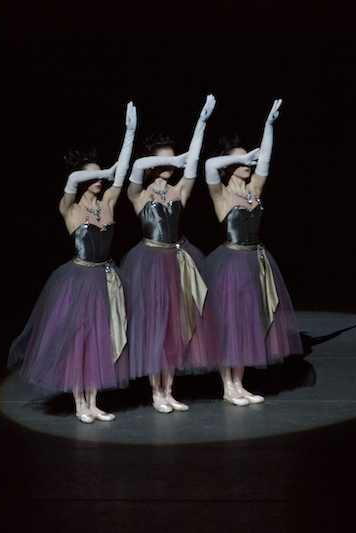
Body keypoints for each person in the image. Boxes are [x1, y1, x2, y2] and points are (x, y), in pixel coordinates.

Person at [8, 102, 137, 423]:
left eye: (100, 177)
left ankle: (92, 402)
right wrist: (99, 170)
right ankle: (79, 403)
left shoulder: (107, 202)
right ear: (81, 180)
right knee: (79, 338)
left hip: (107, 276)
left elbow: (121, 173)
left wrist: (129, 134)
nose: (99, 181)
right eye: (91, 177)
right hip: (78, 279)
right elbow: (74, 180)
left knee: (100, 338)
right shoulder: (70, 208)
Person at [120, 94, 219, 413]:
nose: (170, 165)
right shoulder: (138, 192)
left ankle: (169, 390)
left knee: (176, 325)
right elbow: (136, 166)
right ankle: (155, 392)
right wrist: (165, 157)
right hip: (149, 262)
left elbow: (192, 163)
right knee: (154, 327)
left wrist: (201, 123)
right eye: (161, 161)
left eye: (172, 160)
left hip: (179, 260)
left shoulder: (179, 191)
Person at [203, 99, 303, 406]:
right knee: (229, 324)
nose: (249, 164)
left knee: (248, 322)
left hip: (256, 261)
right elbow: (208, 165)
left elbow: (267, 159)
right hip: (230, 264)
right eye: (241, 161)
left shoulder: (254, 189)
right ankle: (227, 386)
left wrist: (268, 126)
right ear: (229, 165)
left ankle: (240, 383)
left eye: (249, 161)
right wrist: (244, 155)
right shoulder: (220, 193)